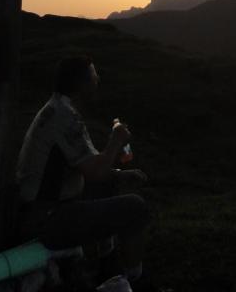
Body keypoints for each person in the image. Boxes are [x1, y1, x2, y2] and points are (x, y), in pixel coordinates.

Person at [16, 56, 151, 286]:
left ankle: (103, 265)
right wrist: (116, 140)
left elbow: (90, 164)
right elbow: (95, 172)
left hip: (42, 208)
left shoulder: (59, 109)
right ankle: (132, 280)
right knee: (135, 208)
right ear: (81, 84)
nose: (98, 79)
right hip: (47, 218)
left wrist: (118, 173)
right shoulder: (64, 117)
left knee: (109, 182)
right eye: (93, 75)